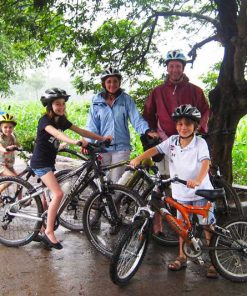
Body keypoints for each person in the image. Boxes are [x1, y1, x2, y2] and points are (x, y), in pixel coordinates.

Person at [130, 104, 218, 279]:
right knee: (182, 227)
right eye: (179, 124)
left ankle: (214, 263)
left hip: (201, 192)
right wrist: (139, 158)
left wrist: (199, 180)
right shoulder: (171, 141)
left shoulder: (200, 142)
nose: (183, 127)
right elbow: (156, 149)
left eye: (187, 124)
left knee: (207, 226)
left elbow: (205, 162)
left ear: (195, 126)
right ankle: (181, 256)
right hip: (180, 193)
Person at [30, 88, 112, 250]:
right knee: (58, 194)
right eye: (57, 104)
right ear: (49, 106)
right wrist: (74, 142)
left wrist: (101, 138)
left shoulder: (61, 120)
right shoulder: (45, 121)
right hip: (40, 163)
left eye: (63, 104)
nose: (61, 107)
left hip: (49, 162)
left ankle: (40, 227)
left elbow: (81, 130)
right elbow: (56, 134)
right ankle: (48, 232)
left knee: (47, 197)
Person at [143, 49, 210, 178]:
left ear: (183, 68)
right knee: (165, 177)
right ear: (167, 68)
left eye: (178, 66)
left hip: (188, 141)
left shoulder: (195, 91)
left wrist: (199, 129)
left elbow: (205, 111)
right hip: (164, 140)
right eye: (171, 66)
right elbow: (148, 114)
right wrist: (150, 132)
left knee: (186, 176)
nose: (175, 70)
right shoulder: (157, 91)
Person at [86, 67, 158, 183]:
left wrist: (147, 131)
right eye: (109, 81)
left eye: (115, 81)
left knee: (117, 182)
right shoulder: (96, 100)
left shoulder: (126, 99)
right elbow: (91, 124)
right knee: (100, 182)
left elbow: (136, 119)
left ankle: (114, 202)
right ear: (104, 84)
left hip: (121, 148)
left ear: (119, 82)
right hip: (101, 148)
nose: (112, 84)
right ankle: (100, 202)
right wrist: (87, 142)